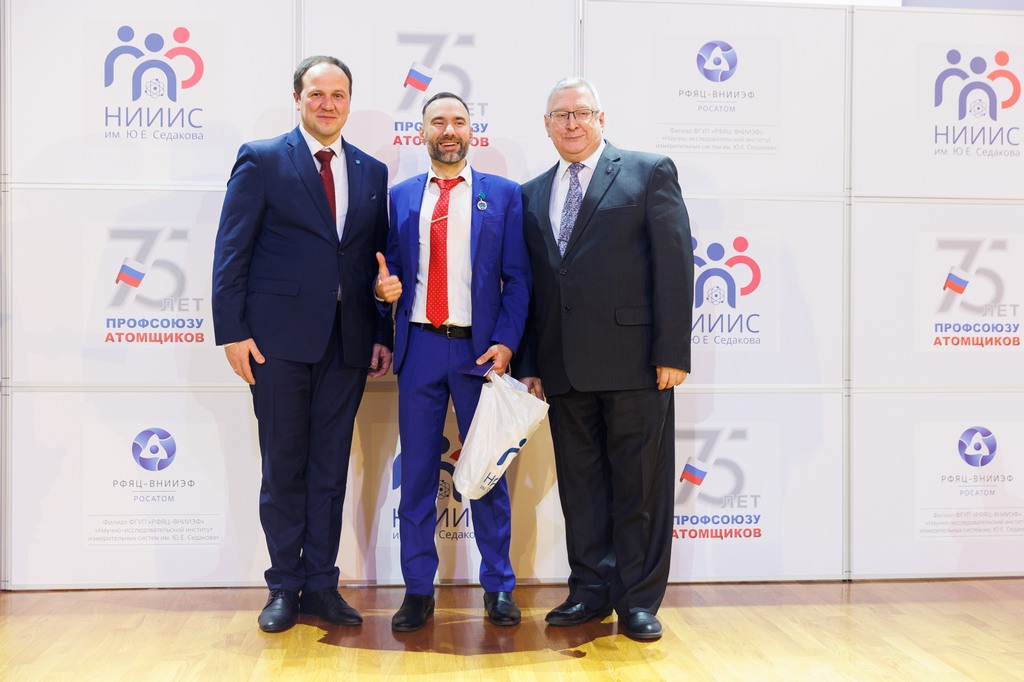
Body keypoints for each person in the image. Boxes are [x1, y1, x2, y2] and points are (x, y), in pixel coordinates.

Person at [211, 55, 392, 633]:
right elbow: (231, 250)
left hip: (347, 345)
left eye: (338, 94)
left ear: (349, 102)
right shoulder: (263, 158)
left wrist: (381, 332)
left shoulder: (371, 171)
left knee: (330, 470)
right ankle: (283, 586)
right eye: (317, 94)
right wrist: (232, 332)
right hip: (276, 344)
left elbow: (373, 263)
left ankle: (321, 584)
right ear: (297, 99)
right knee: (284, 466)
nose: (328, 104)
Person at [517, 77, 693, 642]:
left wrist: (672, 351)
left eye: (581, 112)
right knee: (581, 487)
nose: (571, 123)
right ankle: (589, 590)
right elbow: (532, 287)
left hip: (636, 364)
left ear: (601, 118)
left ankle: (637, 600)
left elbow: (674, 264)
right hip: (563, 368)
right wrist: (530, 362)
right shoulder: (530, 193)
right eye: (560, 114)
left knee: (639, 488)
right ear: (546, 125)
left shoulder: (648, 172)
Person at [374, 91, 531, 632]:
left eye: (458, 121)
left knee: (486, 471)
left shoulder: (504, 195)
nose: (448, 130)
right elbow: (389, 272)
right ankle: (418, 589)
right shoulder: (400, 197)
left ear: (471, 131)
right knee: (417, 475)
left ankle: (499, 586)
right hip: (419, 347)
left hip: (479, 353)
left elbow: (518, 280)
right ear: (421, 133)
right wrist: (382, 290)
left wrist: (506, 342)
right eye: (437, 121)